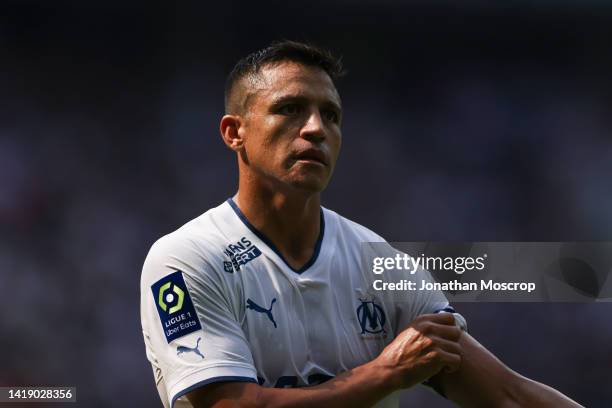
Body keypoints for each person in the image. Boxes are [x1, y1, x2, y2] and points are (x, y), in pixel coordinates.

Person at [140, 40, 581, 408]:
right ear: (234, 132)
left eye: (330, 115)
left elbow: (508, 396)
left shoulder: (382, 266)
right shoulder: (187, 259)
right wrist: (386, 373)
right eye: (290, 108)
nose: (315, 129)